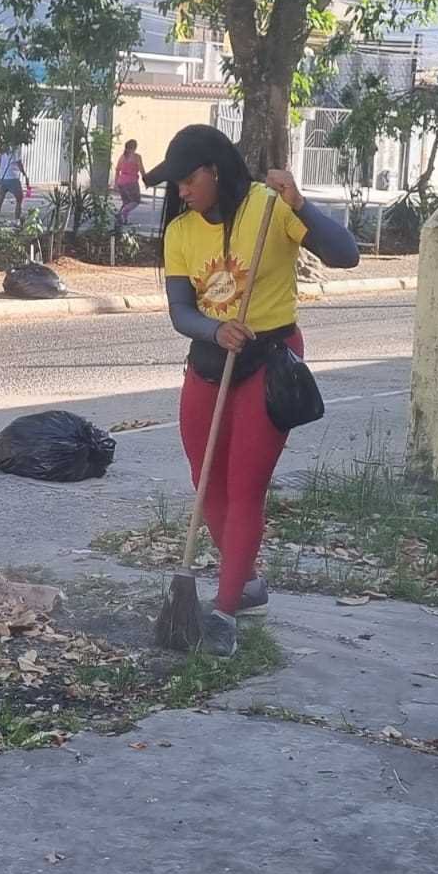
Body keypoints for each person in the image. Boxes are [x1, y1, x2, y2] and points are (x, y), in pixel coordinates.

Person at [149, 124, 359, 656]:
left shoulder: (269, 208)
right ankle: (244, 579)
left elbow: (345, 254)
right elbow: (180, 311)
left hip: (269, 362)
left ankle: (224, 611)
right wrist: (213, 330)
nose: (181, 192)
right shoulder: (180, 232)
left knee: (245, 486)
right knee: (205, 481)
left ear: (214, 171)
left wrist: (302, 204)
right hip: (209, 360)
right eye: (174, 184)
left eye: (188, 180)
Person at [0, 145, 29, 221]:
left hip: (1, 177)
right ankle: (17, 219)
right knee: (19, 198)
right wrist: (24, 173)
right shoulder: (16, 147)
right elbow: (18, 162)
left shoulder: (1, 148)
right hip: (12, 176)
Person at [113, 138, 145, 225]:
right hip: (131, 182)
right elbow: (142, 170)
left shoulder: (122, 157)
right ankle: (121, 213)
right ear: (134, 147)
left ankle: (124, 220)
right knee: (136, 201)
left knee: (126, 202)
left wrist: (116, 183)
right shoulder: (137, 157)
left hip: (121, 181)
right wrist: (146, 180)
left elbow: (117, 170)